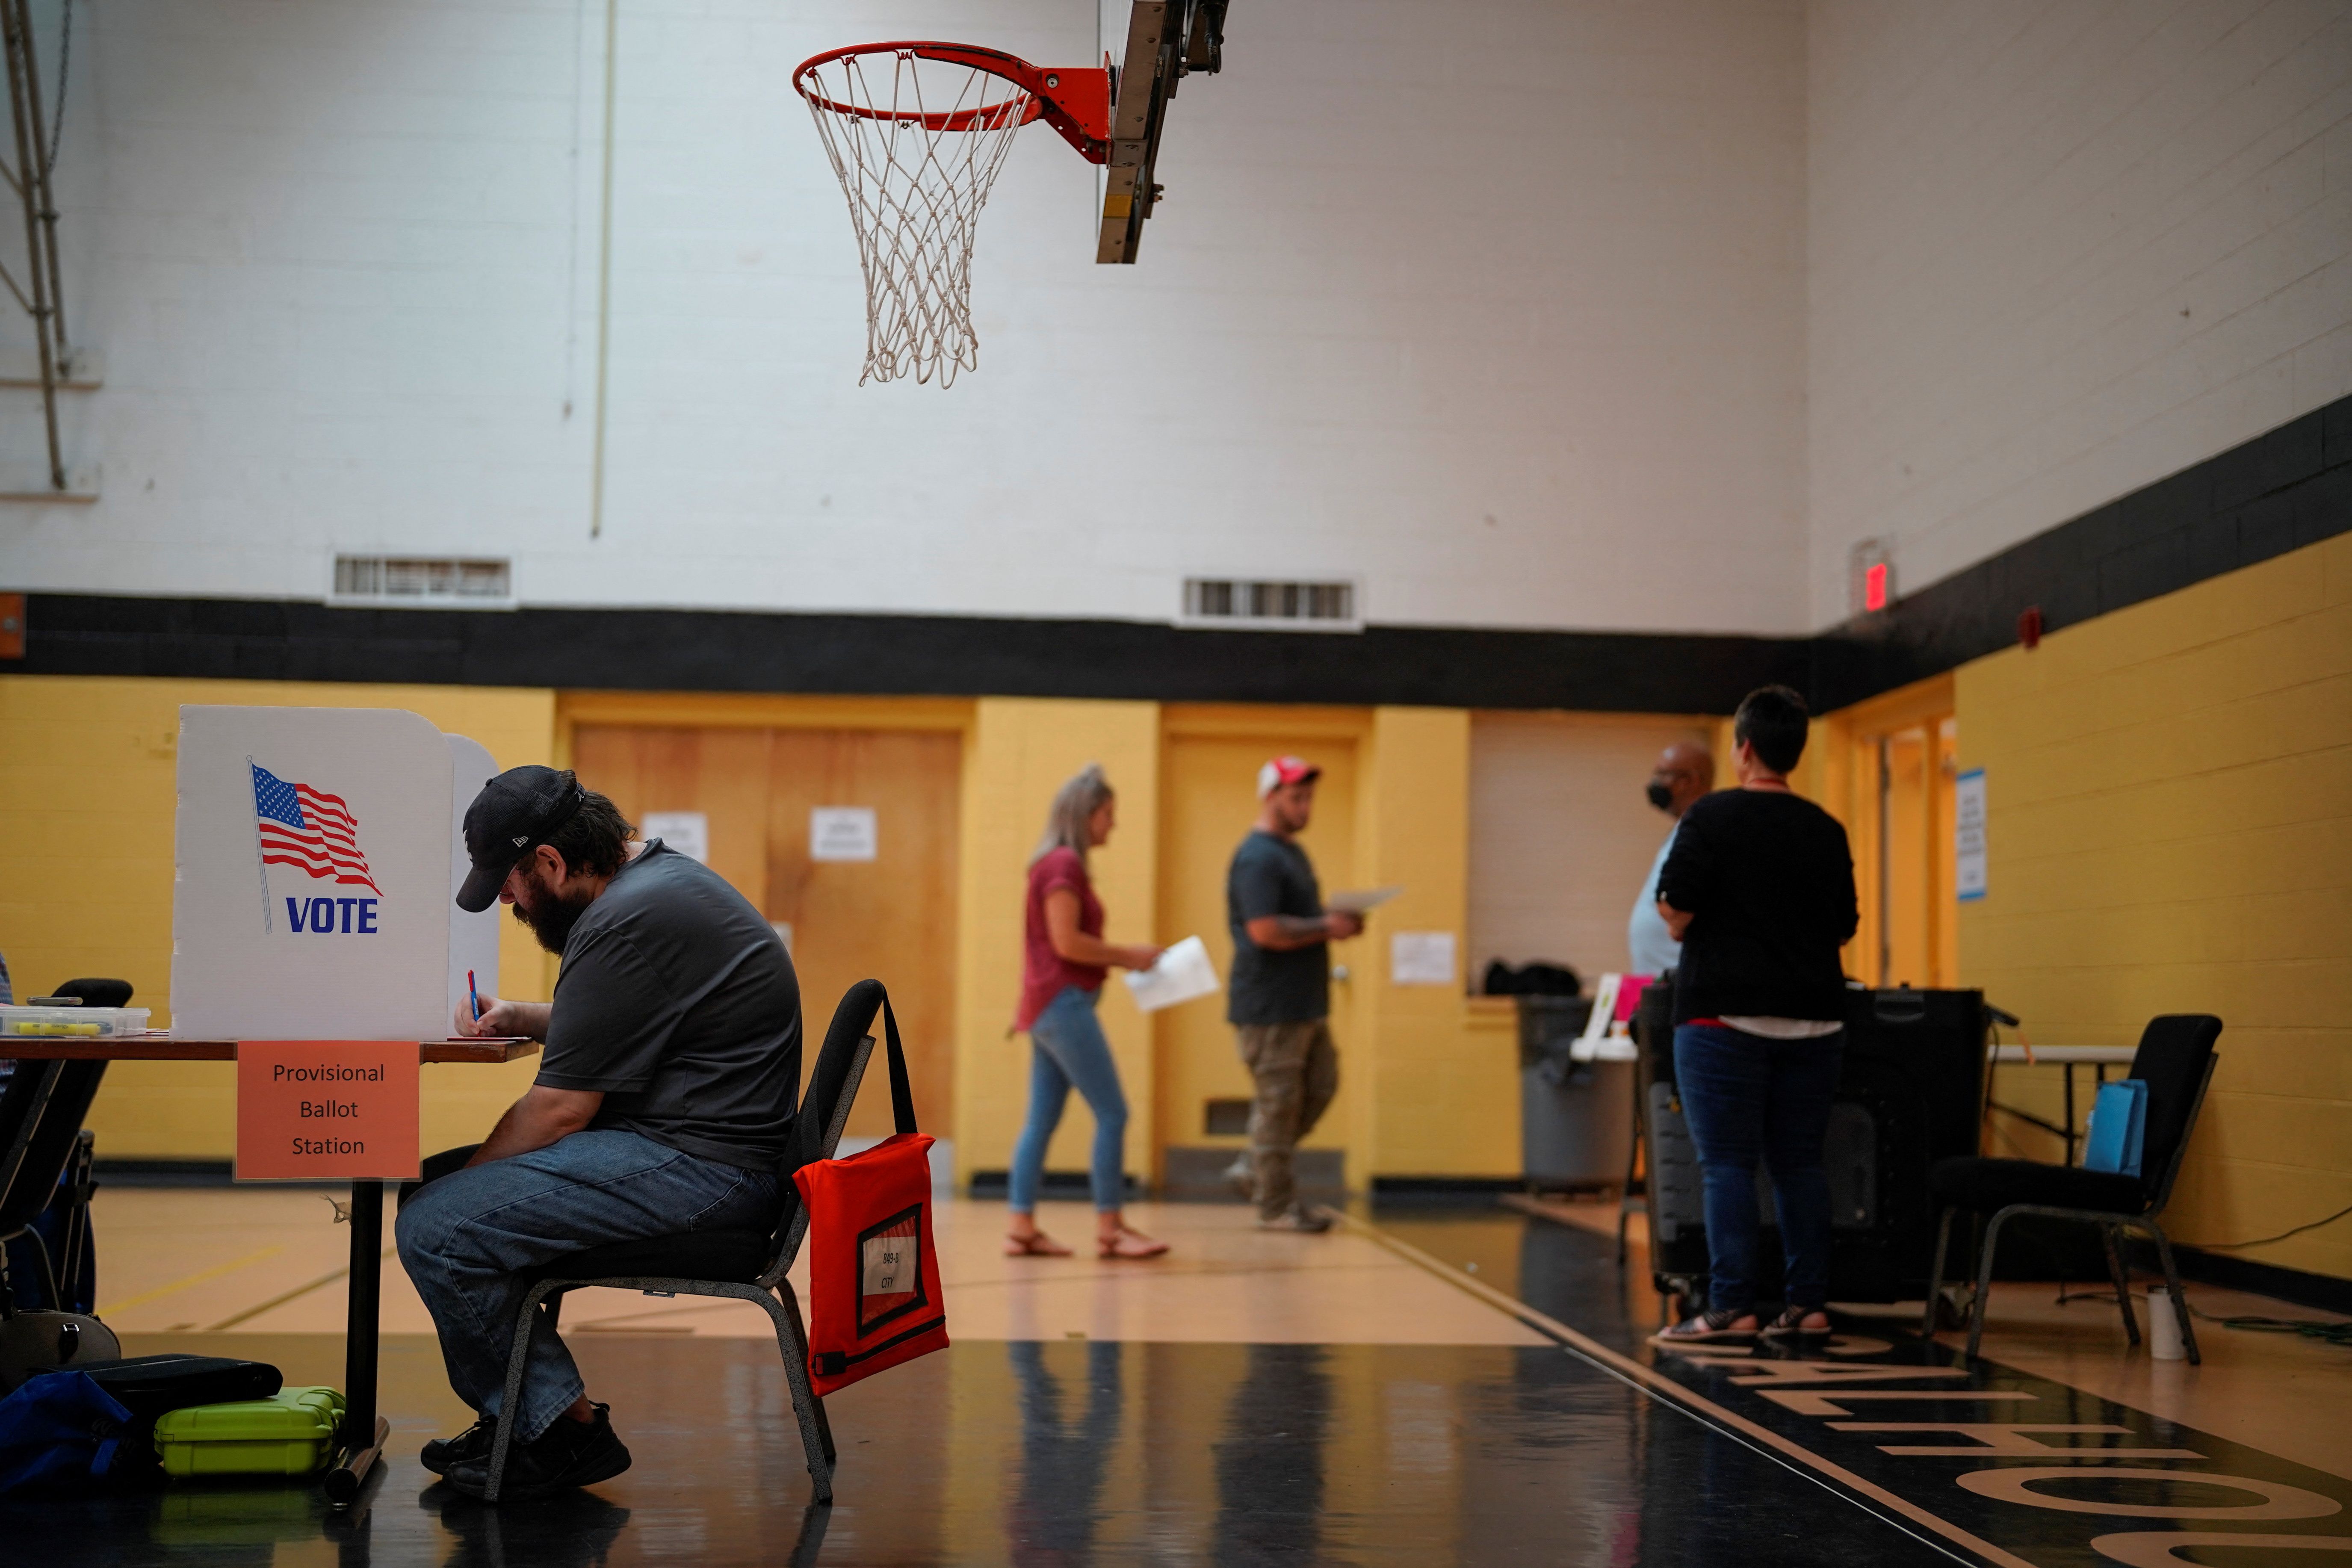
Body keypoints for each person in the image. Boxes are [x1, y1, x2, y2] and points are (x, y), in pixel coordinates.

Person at [394, 766, 801, 1501]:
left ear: (550, 861)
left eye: (512, 885)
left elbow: (559, 1111)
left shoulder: (625, 919)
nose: (511, 903)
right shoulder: (659, 885)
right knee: (435, 1188)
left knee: (438, 1222)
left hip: (703, 1172)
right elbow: (626, 1018)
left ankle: (560, 1431)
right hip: (701, 1152)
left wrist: (469, 1186)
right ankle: (520, 1408)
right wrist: (521, 1014)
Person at [1650, 687, 1857, 1343]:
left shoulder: (1710, 817)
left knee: (1728, 1164)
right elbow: (1845, 924)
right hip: (1816, 1020)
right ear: (1795, 749)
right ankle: (1807, 1305)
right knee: (1800, 1163)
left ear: (1743, 748)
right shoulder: (1827, 827)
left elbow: (1676, 912)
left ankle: (1730, 1306)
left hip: (1722, 1019)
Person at [1004, 765, 1169, 1261]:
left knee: (1040, 1121)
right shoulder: (1062, 865)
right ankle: (1111, 1227)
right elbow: (1067, 942)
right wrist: (1130, 955)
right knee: (1113, 1112)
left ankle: (1021, 1225)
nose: (1112, 825)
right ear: (1085, 814)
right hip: (1062, 1003)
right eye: (1108, 815)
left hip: (1044, 1004)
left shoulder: (1053, 863)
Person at [1222, 757, 1363, 1232]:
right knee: (1278, 1104)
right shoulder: (1258, 857)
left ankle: (1252, 1166)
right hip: (1272, 1006)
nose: (1305, 807)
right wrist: (1328, 925)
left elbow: (1295, 918)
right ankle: (1276, 1206)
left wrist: (1331, 921)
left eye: (1308, 798)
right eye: (1295, 797)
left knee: (1321, 1085)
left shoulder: (1291, 853)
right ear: (1270, 797)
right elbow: (1264, 930)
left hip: (1304, 1002)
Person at [1627, 741, 1714, 975]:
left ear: (1692, 781)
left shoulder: (1704, 834)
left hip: (1678, 980)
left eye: (1663, 774)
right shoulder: (1682, 830)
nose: (1655, 783)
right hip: (1660, 980)